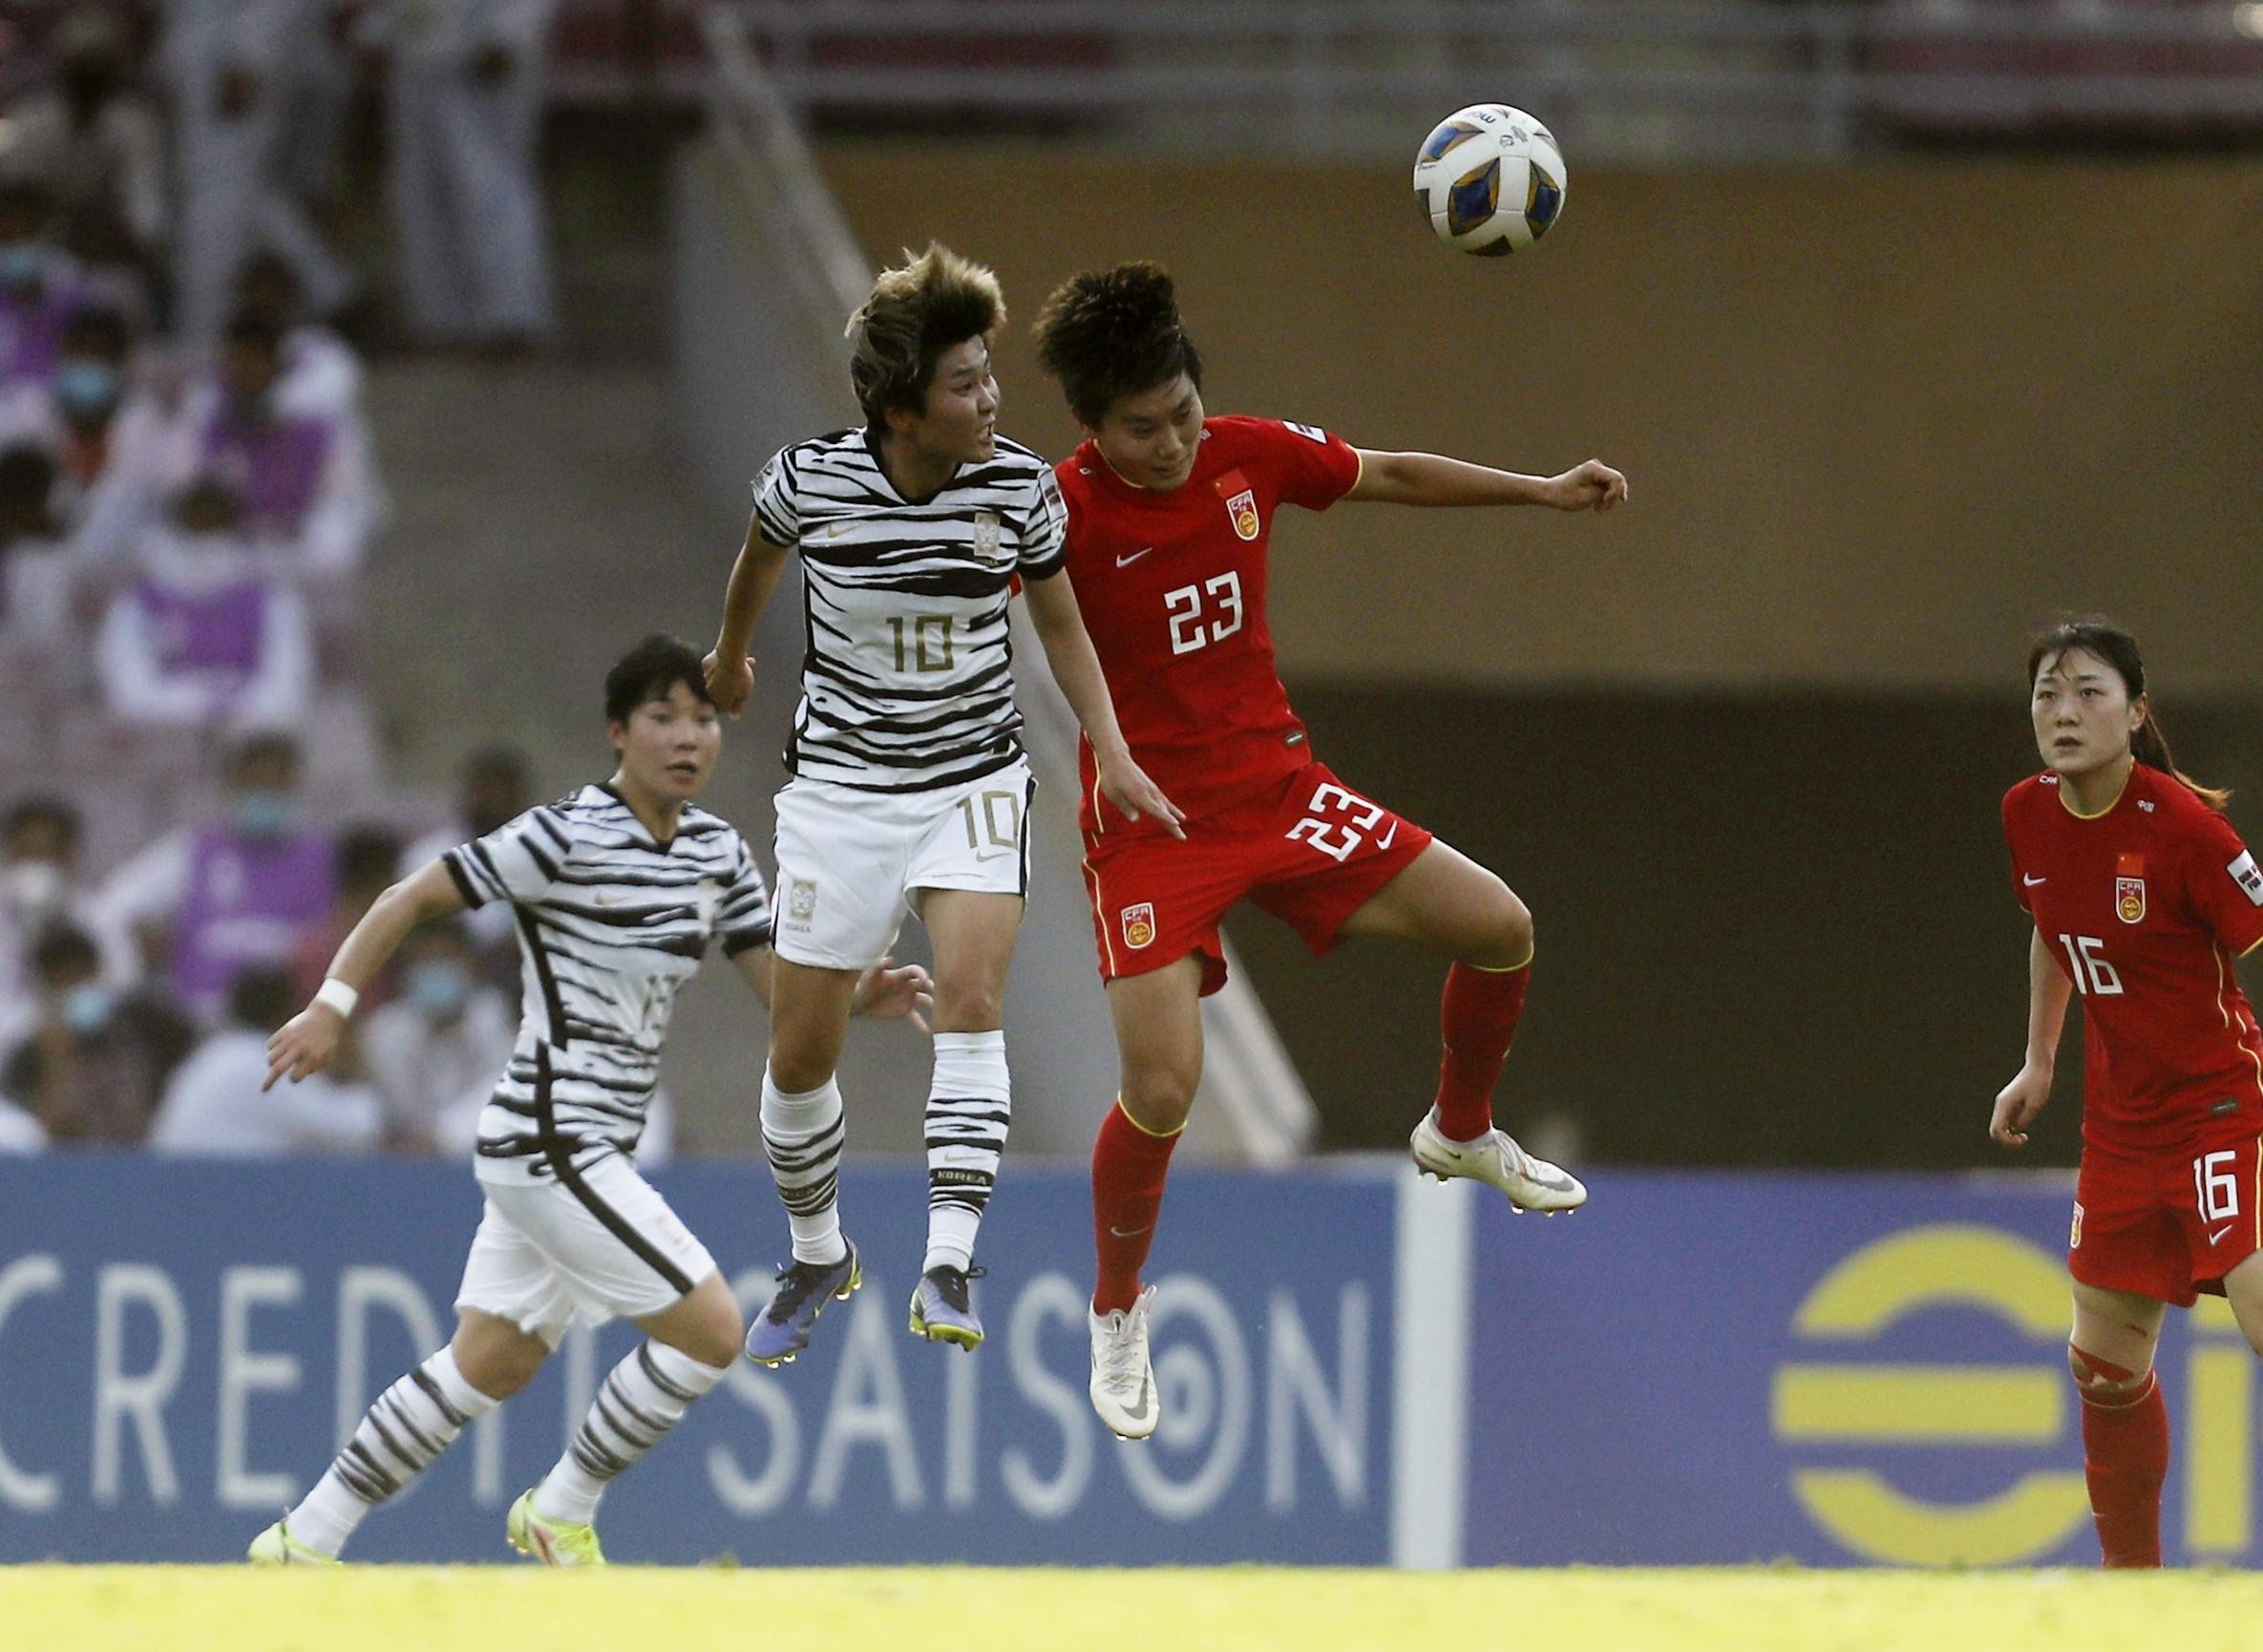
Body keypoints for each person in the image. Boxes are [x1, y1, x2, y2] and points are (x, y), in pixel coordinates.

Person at [1028, 263, 1627, 1438]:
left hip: (1280, 792)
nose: (1171, 445)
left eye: (1184, 414)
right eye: (1141, 430)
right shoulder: (1055, 511)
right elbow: (1007, 618)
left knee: (1501, 924)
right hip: (1152, 822)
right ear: (1091, 431)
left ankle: (1460, 1127)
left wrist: (1543, 491)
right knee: (1163, 1087)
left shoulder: (1249, 452)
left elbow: (1390, 471)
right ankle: (1114, 1310)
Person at [246, 633, 929, 1566]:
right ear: (618, 730)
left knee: (488, 1359)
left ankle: (303, 1539)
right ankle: (561, 1510)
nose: (688, 736)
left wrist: (855, 997)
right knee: (712, 1329)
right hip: (552, 1134)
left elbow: (778, 991)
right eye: (664, 716)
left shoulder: (718, 854)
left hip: (585, 1143)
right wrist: (331, 1006)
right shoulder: (560, 834)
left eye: (703, 718)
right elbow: (407, 897)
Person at [705, 243, 1179, 1364]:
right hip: (841, 790)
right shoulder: (810, 480)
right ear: (903, 407)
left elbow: (1061, 624)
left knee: (972, 993)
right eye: (964, 383)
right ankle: (817, 1249)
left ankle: (951, 1257)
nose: (989, 396)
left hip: (971, 777)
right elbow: (756, 563)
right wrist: (729, 657)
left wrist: (1105, 745)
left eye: (987, 374)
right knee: (800, 1050)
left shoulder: (1016, 486)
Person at [1993, 618, 2263, 1569]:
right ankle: (2134, 1600)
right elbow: (2051, 927)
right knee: (2104, 1368)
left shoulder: (2188, 829)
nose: (2063, 712)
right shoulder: (2026, 812)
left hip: (2223, 1109)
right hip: (2121, 1127)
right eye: (2046, 694)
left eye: (2089, 692)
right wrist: (2039, 1061)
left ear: (2137, 710)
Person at [356, 0, 558, 351]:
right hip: (418, 51)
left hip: (482, 52)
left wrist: (510, 34)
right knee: (418, 191)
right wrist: (375, 32)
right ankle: (440, 319)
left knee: (489, 185)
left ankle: (511, 316)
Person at [99, 729, 337, 1021]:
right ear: (233, 786)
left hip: (293, 1018)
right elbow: (114, 905)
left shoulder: (326, 858)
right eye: (255, 783)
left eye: (276, 784)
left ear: (294, 784)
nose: (265, 794)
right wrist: (148, 948)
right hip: (202, 1012)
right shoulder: (191, 852)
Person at [147, 964, 381, 1154]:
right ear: (286, 1014)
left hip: (185, 1189)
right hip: (211, 1195)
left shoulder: (214, 1053)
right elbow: (358, 1127)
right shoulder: (258, 1060)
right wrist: (355, 1056)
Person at [1, 921, 194, 1144]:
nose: (74, 989)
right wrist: (57, 1061)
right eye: (62, 983)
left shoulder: (147, 1022)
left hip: (151, 1157)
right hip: (79, 1167)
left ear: (97, 969)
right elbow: (37, 1140)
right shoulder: (30, 1054)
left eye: (81, 976)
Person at [358, 917, 516, 1154]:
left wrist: (442, 1137)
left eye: (443, 958)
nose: (434, 970)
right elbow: (378, 1107)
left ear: (469, 963)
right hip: (401, 1161)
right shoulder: (384, 1029)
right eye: (424, 961)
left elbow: (505, 1095)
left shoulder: (497, 1019)